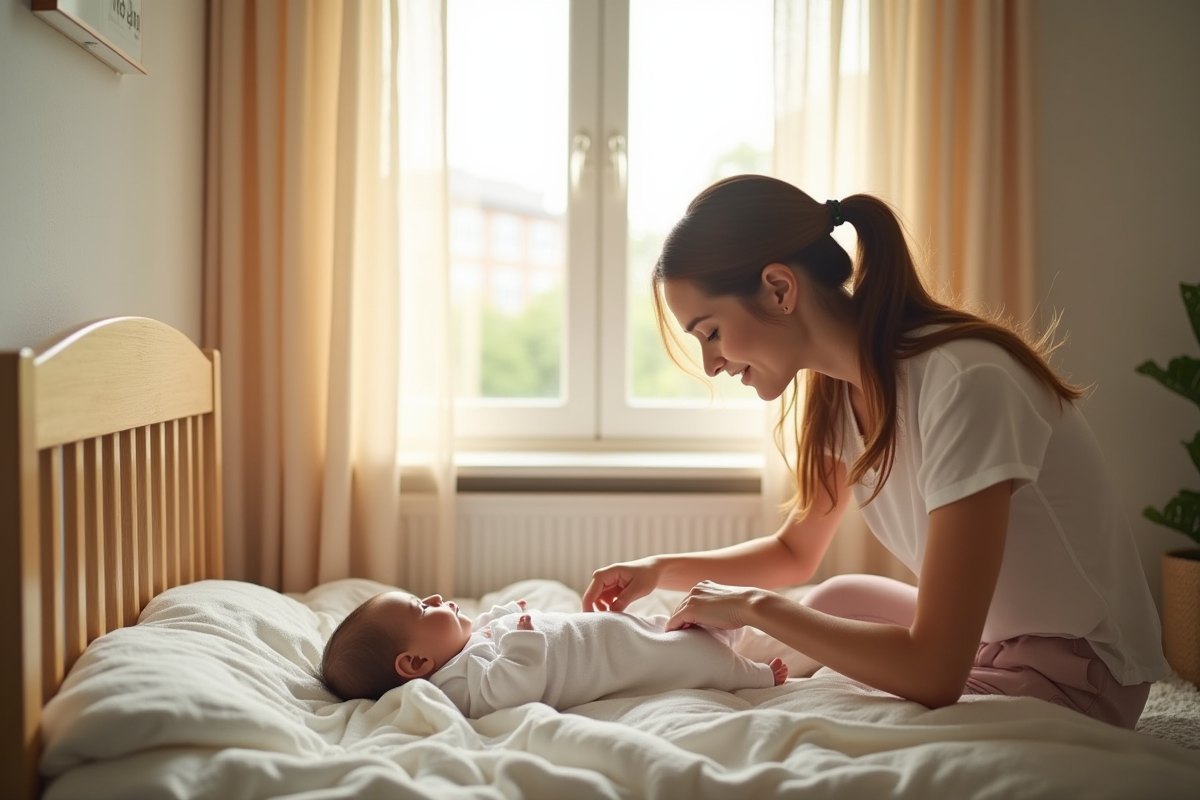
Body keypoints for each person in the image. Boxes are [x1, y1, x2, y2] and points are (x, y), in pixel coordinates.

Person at [582, 174, 1169, 730]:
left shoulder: (965, 382)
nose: (709, 364)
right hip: (994, 634)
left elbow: (934, 673)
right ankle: (671, 656)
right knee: (836, 597)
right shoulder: (838, 396)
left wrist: (754, 607)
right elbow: (794, 552)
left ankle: (693, 659)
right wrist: (658, 570)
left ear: (780, 288)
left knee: (815, 665)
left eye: (709, 332)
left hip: (1075, 671)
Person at [320, 590, 788, 717]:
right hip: (612, 658)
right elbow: (510, 690)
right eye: (424, 608)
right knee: (683, 659)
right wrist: (522, 641)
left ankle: (728, 635)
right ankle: (755, 675)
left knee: (663, 627)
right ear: (416, 664)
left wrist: (507, 614)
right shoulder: (455, 686)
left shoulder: (460, 649)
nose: (439, 598)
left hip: (605, 634)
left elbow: (489, 630)